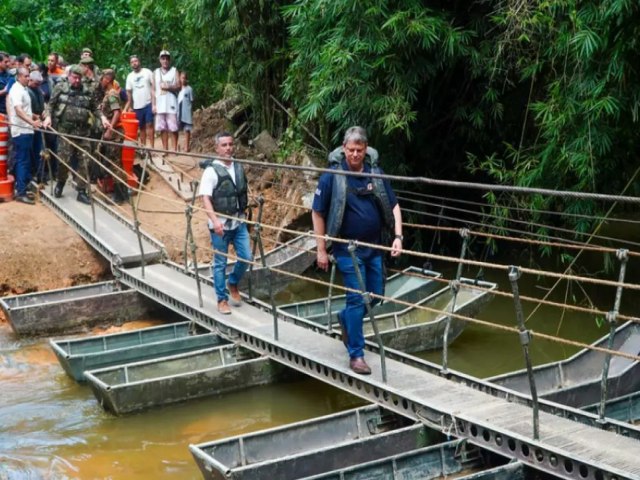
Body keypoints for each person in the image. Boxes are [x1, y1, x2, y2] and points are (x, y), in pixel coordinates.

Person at [312, 126, 403, 375]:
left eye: (359, 150)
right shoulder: (332, 175)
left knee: (375, 296)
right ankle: (357, 355)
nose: (354, 154)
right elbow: (317, 211)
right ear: (343, 149)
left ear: (366, 149)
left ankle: (345, 319)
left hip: (375, 247)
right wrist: (321, 249)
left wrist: (397, 237)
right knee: (356, 298)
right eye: (350, 150)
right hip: (347, 249)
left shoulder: (375, 173)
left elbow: (394, 207)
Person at [198, 131, 252, 315]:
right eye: (224, 145)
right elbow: (205, 198)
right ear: (217, 148)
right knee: (220, 262)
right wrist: (215, 221)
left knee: (246, 256)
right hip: (219, 225)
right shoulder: (211, 171)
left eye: (230, 144)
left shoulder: (238, 167)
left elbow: (242, 190)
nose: (228, 148)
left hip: (238, 222)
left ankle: (233, 282)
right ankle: (222, 299)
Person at [43, 65, 110, 204]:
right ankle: (60, 183)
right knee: (63, 162)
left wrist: (102, 118)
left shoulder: (88, 91)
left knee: (85, 162)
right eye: (74, 77)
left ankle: (81, 190)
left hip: (83, 133)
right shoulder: (60, 88)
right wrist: (48, 117)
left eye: (79, 78)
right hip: (65, 132)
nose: (77, 80)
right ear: (69, 76)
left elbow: (95, 108)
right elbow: (50, 105)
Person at [7, 67, 42, 204]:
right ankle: (21, 192)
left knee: (24, 159)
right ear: (20, 76)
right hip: (21, 130)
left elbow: (25, 109)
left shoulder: (23, 89)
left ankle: (22, 187)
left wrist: (33, 116)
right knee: (23, 160)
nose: (29, 78)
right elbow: (18, 110)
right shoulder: (16, 90)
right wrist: (32, 122)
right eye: (26, 76)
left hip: (27, 129)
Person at [98, 69, 128, 204]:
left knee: (114, 164)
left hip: (115, 133)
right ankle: (122, 192)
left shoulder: (112, 94)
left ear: (108, 79)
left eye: (102, 78)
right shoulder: (108, 94)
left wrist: (110, 129)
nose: (100, 81)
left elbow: (117, 112)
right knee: (115, 163)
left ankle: (119, 195)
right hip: (114, 132)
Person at [124, 55, 154, 149]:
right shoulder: (130, 77)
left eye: (136, 61)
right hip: (137, 106)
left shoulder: (147, 72)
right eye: (132, 62)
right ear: (130, 64)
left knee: (150, 124)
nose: (134, 63)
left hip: (148, 102)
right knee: (141, 127)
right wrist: (129, 106)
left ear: (139, 61)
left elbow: (154, 86)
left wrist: (155, 102)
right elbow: (129, 92)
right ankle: (144, 148)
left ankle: (152, 148)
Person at [153, 50, 180, 152]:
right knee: (162, 127)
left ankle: (174, 148)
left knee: (173, 127)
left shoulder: (174, 71)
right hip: (160, 103)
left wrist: (168, 87)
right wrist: (153, 105)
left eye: (167, 58)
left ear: (169, 60)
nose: (165, 61)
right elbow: (153, 90)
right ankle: (165, 149)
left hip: (171, 102)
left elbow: (178, 85)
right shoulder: (155, 72)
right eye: (163, 58)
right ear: (160, 60)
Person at [27, 70, 46, 183]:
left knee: (39, 150)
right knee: (31, 151)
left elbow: (43, 105)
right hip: (30, 124)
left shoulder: (38, 90)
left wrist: (44, 113)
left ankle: (40, 174)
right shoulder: (26, 91)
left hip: (39, 124)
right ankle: (33, 174)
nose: (38, 86)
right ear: (30, 80)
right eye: (36, 83)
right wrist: (34, 117)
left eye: (39, 84)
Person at [177, 71, 193, 152]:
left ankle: (187, 146)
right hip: (179, 112)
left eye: (185, 78)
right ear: (179, 78)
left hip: (187, 112)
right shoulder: (178, 89)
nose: (183, 80)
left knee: (187, 129)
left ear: (187, 79)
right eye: (182, 78)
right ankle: (179, 145)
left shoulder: (189, 89)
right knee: (179, 129)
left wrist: (190, 111)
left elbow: (191, 100)